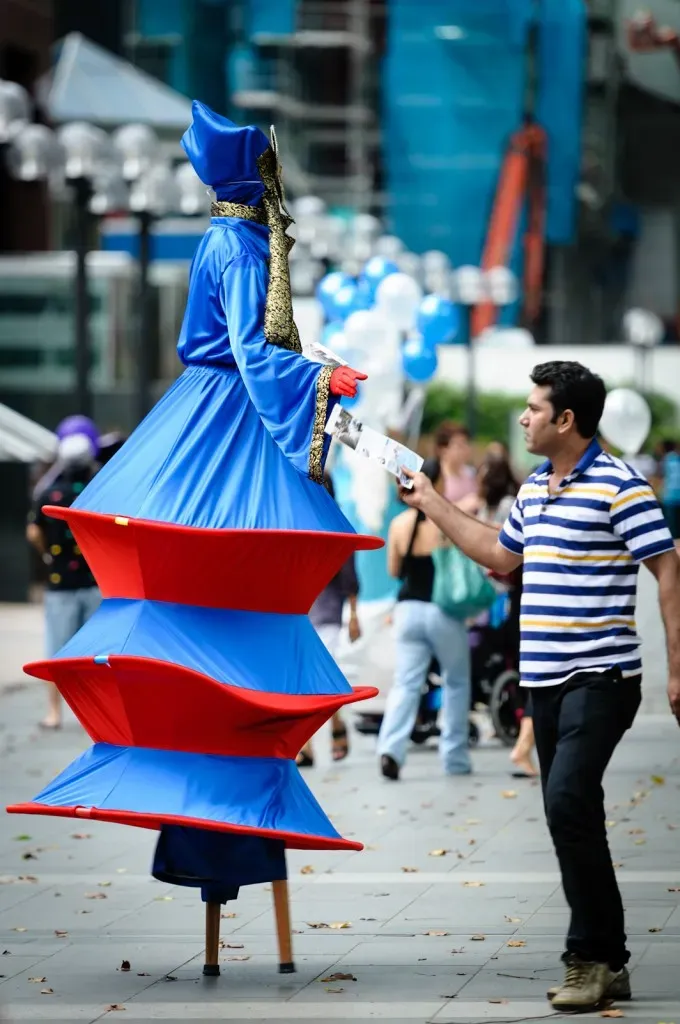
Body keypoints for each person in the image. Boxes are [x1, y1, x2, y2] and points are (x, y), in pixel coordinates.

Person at [399, 361, 680, 1012]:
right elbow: (500, 554)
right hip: (544, 679)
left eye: (533, 408)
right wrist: (432, 502)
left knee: (565, 802)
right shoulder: (534, 490)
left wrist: (678, 667)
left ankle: (589, 957)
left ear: (566, 420)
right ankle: (609, 957)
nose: (523, 417)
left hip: (602, 675)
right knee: (571, 816)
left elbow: (667, 568)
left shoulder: (620, 487)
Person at [378, 457, 472, 781]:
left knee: (405, 683)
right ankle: (455, 757)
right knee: (457, 681)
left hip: (406, 612)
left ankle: (390, 749)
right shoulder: (443, 522)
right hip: (441, 610)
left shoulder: (399, 524)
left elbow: (393, 572)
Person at [26, 417, 101, 729]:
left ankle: (54, 713)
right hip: (95, 580)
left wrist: (47, 553)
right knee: (96, 652)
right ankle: (98, 715)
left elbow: (33, 531)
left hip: (58, 583)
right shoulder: (100, 490)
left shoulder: (48, 493)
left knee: (56, 650)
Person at [298, 471, 361, 766]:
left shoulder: (338, 528)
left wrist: (354, 615)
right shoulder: (298, 522)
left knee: (323, 680)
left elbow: (349, 576)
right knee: (302, 682)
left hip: (328, 612)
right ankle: (306, 745)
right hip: (300, 613)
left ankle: (334, 726)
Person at [435, 421, 477, 504]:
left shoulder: (471, 474)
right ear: (443, 450)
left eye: (467, 443)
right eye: (460, 445)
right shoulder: (436, 477)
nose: (466, 449)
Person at [659, 439, 680, 540]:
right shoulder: (670, 458)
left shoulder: (667, 459)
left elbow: (661, 477)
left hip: (670, 498)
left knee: (673, 531)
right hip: (671, 498)